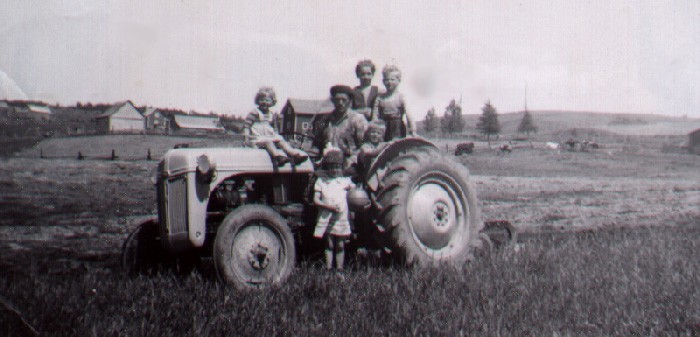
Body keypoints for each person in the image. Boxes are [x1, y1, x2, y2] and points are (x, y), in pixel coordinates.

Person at [313, 147, 355, 270]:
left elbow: (355, 192)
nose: (334, 170)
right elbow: (316, 200)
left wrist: (354, 190)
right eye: (331, 167)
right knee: (329, 244)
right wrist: (328, 206)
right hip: (327, 217)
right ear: (326, 167)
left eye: (337, 167)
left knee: (340, 245)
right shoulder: (321, 181)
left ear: (342, 168)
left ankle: (340, 269)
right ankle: (328, 268)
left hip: (341, 218)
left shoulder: (345, 181)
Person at [244, 87, 307, 166]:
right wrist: (246, 138)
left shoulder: (272, 114)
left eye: (267, 100)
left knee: (281, 142)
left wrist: (276, 136)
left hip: (270, 136)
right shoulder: (255, 113)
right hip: (258, 139)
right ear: (257, 100)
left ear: (272, 102)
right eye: (262, 100)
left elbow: (275, 128)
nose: (264, 102)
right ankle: (277, 157)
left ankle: (293, 154)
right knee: (268, 142)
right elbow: (247, 125)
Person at [312, 85, 367, 172]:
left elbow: (364, 145)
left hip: (349, 164)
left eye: (344, 100)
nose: (340, 103)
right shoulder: (325, 120)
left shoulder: (358, 119)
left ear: (350, 101)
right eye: (337, 100)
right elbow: (316, 145)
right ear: (332, 100)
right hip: (327, 164)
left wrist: (352, 162)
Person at [373, 65, 414, 141]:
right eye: (387, 79)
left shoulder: (401, 97)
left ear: (399, 81)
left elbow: (408, 113)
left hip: (397, 126)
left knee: (397, 145)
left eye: (392, 79)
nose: (389, 82)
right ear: (383, 81)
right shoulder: (380, 98)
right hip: (383, 126)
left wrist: (412, 130)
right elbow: (375, 115)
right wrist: (373, 128)